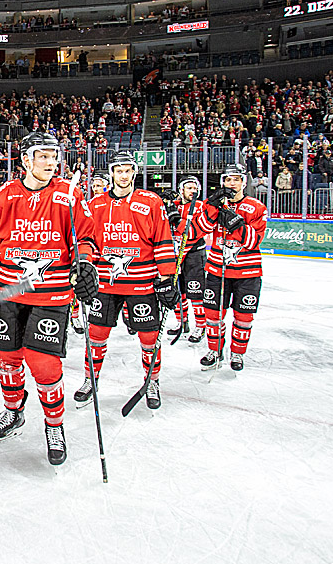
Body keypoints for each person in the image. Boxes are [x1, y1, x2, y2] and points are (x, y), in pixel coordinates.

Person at [0, 133, 99, 464]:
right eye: (43, 156)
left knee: (43, 364)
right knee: (7, 358)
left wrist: (84, 265)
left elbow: (85, 237)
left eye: (54, 156)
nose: (51, 162)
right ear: (26, 159)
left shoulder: (68, 194)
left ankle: (54, 426)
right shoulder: (4, 195)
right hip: (9, 292)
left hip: (52, 294)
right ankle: (14, 413)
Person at [74, 151, 178, 411]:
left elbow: (163, 241)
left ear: (134, 172)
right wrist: (84, 267)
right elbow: (86, 241)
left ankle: (152, 381)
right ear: (111, 173)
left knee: (149, 336)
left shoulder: (151, 201)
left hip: (141, 282)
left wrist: (166, 279)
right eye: (118, 170)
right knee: (96, 335)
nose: (123, 175)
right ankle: (90, 379)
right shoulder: (95, 204)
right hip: (105, 284)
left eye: (128, 170)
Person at [192, 164, 268, 372]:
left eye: (236, 179)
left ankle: (237, 353)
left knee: (243, 317)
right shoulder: (214, 204)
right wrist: (213, 208)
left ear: (244, 182)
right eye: (228, 180)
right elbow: (199, 230)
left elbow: (254, 240)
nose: (231, 184)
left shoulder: (256, 207)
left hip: (248, 272)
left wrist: (235, 223)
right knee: (213, 315)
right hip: (217, 271)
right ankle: (214, 351)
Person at [165, 176, 208, 343]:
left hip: (194, 254)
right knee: (177, 291)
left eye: (194, 188)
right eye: (188, 188)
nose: (193, 191)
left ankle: (201, 325)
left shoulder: (200, 206)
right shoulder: (174, 205)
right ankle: (182, 322)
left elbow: (195, 230)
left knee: (196, 292)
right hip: (176, 254)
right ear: (181, 190)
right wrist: (165, 201)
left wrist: (177, 220)